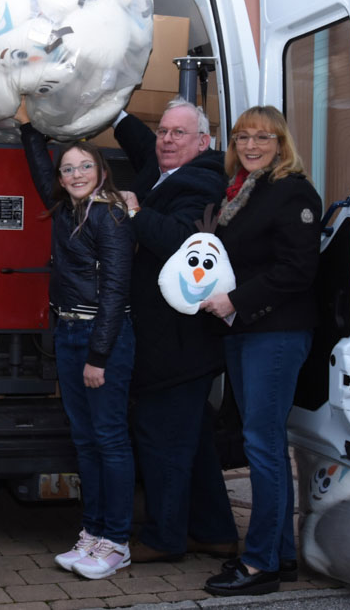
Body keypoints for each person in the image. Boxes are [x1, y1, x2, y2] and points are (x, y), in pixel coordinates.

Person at [200, 105, 321, 596]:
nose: (251, 146)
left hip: (275, 333)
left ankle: (259, 566)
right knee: (267, 444)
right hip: (247, 331)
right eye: (243, 137)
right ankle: (282, 557)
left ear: (281, 144)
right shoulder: (244, 193)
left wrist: (235, 299)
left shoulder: (292, 192)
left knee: (263, 447)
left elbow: (298, 270)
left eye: (263, 138)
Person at [113, 99, 239, 562]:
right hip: (176, 344)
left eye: (178, 134)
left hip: (178, 346)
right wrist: (116, 113)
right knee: (194, 441)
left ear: (203, 143)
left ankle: (164, 539)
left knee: (161, 439)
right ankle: (215, 532)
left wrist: (135, 211)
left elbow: (184, 246)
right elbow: (147, 147)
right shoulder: (169, 169)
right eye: (163, 131)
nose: (166, 139)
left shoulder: (203, 182)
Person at [19, 118, 136, 580]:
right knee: (86, 441)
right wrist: (31, 131)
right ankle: (93, 533)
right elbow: (38, 173)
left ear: (101, 170)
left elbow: (115, 292)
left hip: (100, 338)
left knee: (109, 440)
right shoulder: (68, 209)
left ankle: (118, 542)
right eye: (67, 169)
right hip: (69, 333)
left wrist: (99, 356)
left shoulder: (109, 216)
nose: (75, 175)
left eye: (85, 166)